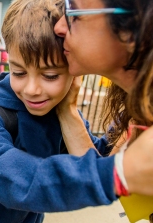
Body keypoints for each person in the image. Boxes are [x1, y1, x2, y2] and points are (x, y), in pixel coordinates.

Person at [0, 0, 117, 222]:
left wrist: (125, 120)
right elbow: (15, 181)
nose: (31, 90)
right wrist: (112, 175)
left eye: (50, 76)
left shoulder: (61, 112)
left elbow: (94, 159)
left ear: (74, 72)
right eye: (19, 73)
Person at [54, 0, 153, 196]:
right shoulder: (137, 108)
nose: (59, 26)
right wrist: (67, 109)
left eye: (73, 10)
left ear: (133, 26)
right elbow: (102, 172)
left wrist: (119, 175)